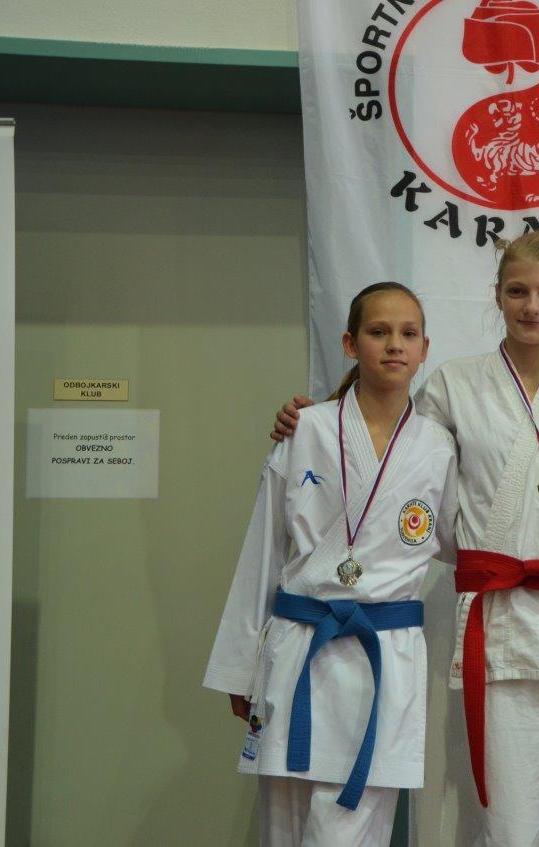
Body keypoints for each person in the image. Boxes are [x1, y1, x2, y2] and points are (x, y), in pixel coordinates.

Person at [272, 232, 539, 847]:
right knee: (509, 822)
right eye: (517, 291)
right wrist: (318, 419)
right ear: (497, 295)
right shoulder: (454, 385)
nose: (532, 306)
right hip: (500, 615)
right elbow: (391, 457)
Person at [204, 282, 459, 846]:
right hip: (301, 647)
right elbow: (262, 550)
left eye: (408, 334)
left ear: (424, 349)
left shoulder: (438, 446)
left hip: (383, 655)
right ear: (350, 343)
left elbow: (460, 544)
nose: (394, 344)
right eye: (378, 332)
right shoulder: (307, 429)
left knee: (350, 832)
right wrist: (239, 665)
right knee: (284, 831)